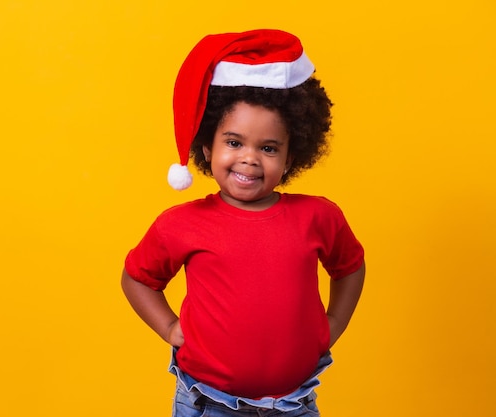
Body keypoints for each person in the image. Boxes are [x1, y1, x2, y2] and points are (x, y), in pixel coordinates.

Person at [121, 29, 365, 417]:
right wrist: (169, 327)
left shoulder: (318, 216)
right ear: (207, 147)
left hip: (294, 405)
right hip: (205, 403)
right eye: (234, 143)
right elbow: (137, 277)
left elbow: (350, 266)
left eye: (268, 148)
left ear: (290, 158)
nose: (250, 159)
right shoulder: (181, 224)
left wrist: (333, 323)